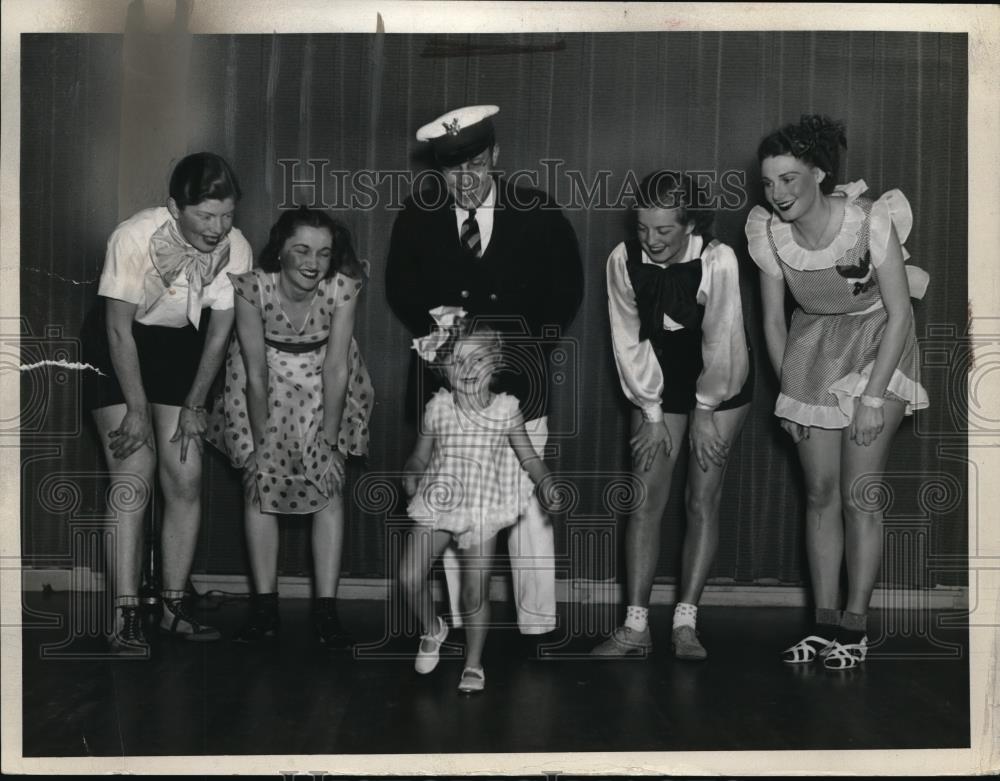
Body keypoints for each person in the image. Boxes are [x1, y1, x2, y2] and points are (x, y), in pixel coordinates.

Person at [385, 105, 583, 648]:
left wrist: (512, 355)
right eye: (452, 170)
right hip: (447, 393)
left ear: (495, 156)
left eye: (475, 164)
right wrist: (442, 336)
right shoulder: (416, 217)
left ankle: (537, 625)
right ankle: (456, 623)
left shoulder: (538, 213)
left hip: (521, 391)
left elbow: (565, 296)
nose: (466, 179)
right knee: (452, 508)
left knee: (527, 510)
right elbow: (401, 291)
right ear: (438, 172)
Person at [745, 114, 929, 670]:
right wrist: (789, 397)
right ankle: (823, 626)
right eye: (769, 182)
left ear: (820, 174)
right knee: (820, 493)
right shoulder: (767, 232)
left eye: (790, 180)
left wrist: (873, 397)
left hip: (880, 344)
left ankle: (855, 628)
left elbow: (899, 313)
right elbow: (775, 325)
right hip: (812, 348)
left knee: (858, 496)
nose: (778, 194)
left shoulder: (870, 221)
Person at [81, 152, 252, 655]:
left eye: (227, 215)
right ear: (174, 206)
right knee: (134, 470)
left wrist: (197, 402)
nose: (219, 228)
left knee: (185, 470)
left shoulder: (235, 247)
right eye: (206, 216)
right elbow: (117, 329)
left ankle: (175, 608)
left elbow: (219, 334)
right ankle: (125, 614)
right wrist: (135, 408)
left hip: (181, 347)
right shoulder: (132, 236)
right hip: (117, 345)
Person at [590, 170, 753, 661]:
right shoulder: (622, 260)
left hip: (719, 381)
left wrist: (705, 410)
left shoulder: (717, 260)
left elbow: (722, 341)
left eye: (663, 230)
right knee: (644, 498)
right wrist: (653, 411)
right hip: (654, 382)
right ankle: (635, 627)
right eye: (643, 228)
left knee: (701, 500)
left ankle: (686, 623)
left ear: (690, 224)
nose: (651, 240)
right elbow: (627, 339)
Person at [205, 206, 373, 650]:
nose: (312, 262)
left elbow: (337, 369)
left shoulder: (343, 288)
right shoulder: (250, 289)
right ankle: (264, 611)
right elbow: (256, 374)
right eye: (301, 249)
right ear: (280, 250)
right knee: (259, 489)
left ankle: (326, 612)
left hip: (323, 382)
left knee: (329, 490)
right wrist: (260, 447)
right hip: (263, 383)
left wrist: (332, 443)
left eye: (323, 252)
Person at [398, 309, 563, 692]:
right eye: (456, 361)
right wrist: (412, 470)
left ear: (497, 363)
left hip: (482, 508)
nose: (467, 369)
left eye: (477, 359)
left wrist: (545, 483)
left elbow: (529, 458)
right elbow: (421, 455)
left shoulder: (506, 409)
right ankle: (432, 627)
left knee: (475, 590)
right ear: (443, 368)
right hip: (437, 502)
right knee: (408, 577)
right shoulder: (438, 407)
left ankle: (473, 663)